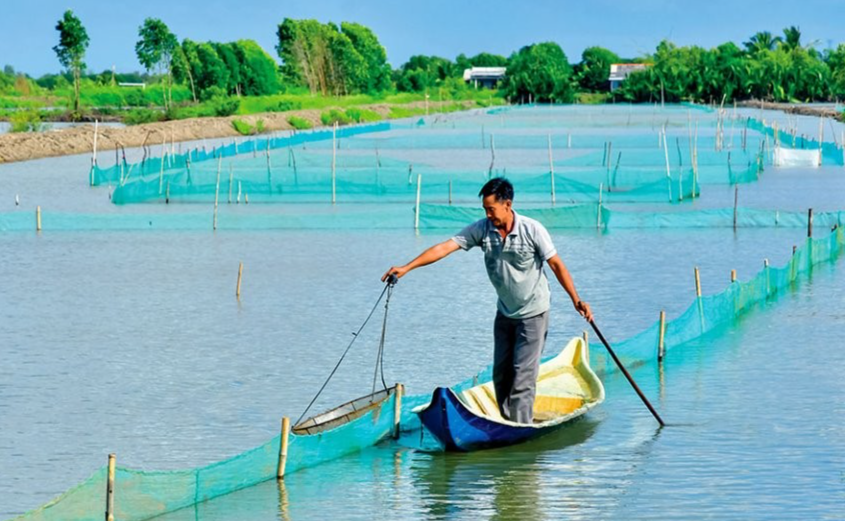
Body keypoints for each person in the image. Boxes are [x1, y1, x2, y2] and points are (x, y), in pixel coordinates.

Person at [382, 177, 592, 424]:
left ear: (507, 204)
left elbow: (556, 265)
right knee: (501, 374)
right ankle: (506, 423)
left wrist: (576, 300)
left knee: (522, 376)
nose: (488, 214)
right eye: (485, 209)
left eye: (491, 209)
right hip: (505, 312)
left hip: (534, 313)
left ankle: (520, 427)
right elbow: (444, 248)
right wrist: (407, 268)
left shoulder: (532, 230)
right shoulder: (482, 229)